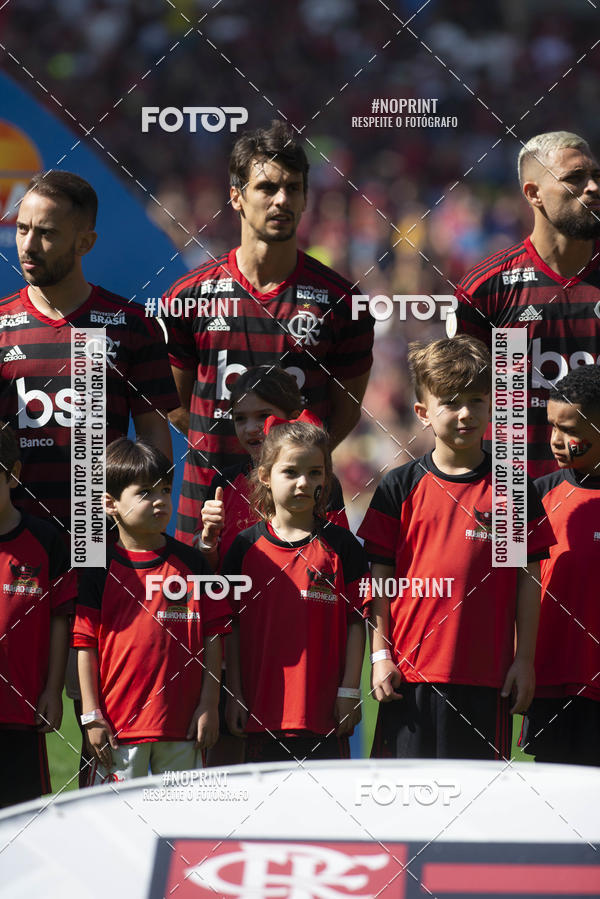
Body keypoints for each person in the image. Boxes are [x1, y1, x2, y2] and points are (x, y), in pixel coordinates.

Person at [165, 120, 374, 544]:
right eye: (267, 187)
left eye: (293, 188)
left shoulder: (342, 302)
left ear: (305, 198)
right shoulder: (188, 296)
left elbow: (346, 411)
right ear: (236, 196)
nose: (282, 199)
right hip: (208, 511)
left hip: (304, 514)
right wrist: (227, 455)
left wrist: (294, 465)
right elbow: (175, 405)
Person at [358, 335, 555, 760]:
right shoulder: (399, 487)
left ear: (492, 405)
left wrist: (524, 660)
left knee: (477, 801)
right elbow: (380, 582)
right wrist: (380, 655)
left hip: (486, 680)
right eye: (450, 402)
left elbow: (526, 580)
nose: (465, 413)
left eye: (476, 400)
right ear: (423, 413)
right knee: (406, 797)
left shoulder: (510, 489)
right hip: (409, 676)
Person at [0, 169, 178, 534]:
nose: (28, 245)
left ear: (85, 242)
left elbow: (154, 438)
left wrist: (144, 528)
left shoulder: (132, 325)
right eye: (22, 228)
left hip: (98, 539)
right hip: (14, 539)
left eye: (46, 233)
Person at [72, 438, 231, 784]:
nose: (159, 500)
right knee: (116, 817)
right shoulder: (98, 570)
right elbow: (85, 645)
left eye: (165, 490)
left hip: (183, 727)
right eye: (145, 492)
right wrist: (91, 715)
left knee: (182, 816)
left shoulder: (193, 563)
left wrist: (209, 704)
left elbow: (213, 636)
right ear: (110, 503)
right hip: (118, 729)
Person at [450, 131, 600, 478]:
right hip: (516, 495)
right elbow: (459, 403)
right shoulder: (484, 289)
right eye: (575, 178)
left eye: (596, 176)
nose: (592, 187)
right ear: (534, 194)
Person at [223, 415, 368, 763]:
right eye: (290, 472)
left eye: (315, 472)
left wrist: (349, 691)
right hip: (261, 715)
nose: (304, 483)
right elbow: (231, 628)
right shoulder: (244, 548)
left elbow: (356, 621)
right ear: (265, 476)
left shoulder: (343, 547)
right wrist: (234, 694)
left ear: (327, 477)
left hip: (326, 718)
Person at [521, 366, 600, 765]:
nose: (554, 439)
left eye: (568, 429)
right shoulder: (539, 496)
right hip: (552, 686)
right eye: (551, 425)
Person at [198, 364, 348, 570]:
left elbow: (340, 559)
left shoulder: (321, 483)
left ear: (292, 418)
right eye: (240, 418)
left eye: (262, 416)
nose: (250, 428)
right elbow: (207, 570)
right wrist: (208, 541)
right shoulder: (223, 483)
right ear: (263, 477)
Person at [0, 423, 76, 806]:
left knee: (19, 824)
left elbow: (60, 619)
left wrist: (52, 690)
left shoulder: (46, 541)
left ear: (13, 474)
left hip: (22, 711)